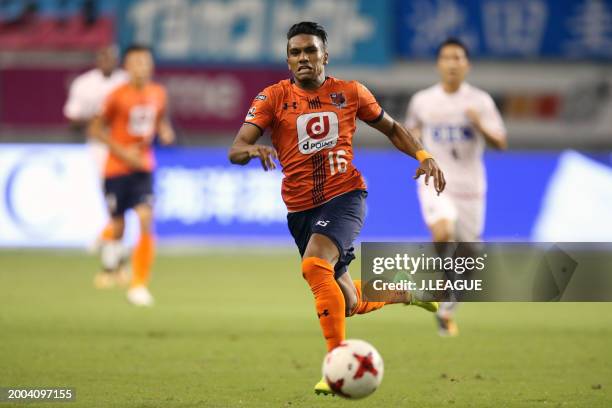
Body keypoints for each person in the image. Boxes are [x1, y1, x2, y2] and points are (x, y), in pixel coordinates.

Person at [229, 21, 446, 395]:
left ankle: (336, 365)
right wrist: (251, 150)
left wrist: (423, 154)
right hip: (300, 211)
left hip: (345, 196)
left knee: (314, 266)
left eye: (310, 51)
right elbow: (236, 149)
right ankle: (404, 291)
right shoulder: (272, 98)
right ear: (287, 60)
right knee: (345, 301)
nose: (303, 58)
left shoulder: (350, 93)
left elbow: (393, 128)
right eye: (295, 52)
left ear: (325, 55)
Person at [405, 38, 507, 336]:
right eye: (447, 58)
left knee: (469, 256)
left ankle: (446, 308)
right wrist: (418, 152)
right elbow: (411, 132)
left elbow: (501, 142)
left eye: (458, 58)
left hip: (471, 187)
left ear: (467, 64)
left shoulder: (480, 102)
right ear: (439, 64)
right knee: (442, 231)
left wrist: (479, 125)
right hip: (437, 181)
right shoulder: (423, 100)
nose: (452, 63)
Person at [89, 44, 175, 306]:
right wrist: (124, 153)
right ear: (126, 67)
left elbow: (160, 119)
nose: (142, 67)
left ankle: (139, 284)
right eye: (136, 62)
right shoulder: (116, 96)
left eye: (146, 62)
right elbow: (96, 129)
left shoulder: (159, 93)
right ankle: (112, 261)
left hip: (143, 167)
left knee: (146, 217)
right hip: (116, 169)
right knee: (118, 227)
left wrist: (164, 131)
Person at [63, 44, 129, 289]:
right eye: (102, 56)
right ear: (96, 59)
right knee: (114, 205)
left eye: (111, 57)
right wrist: (94, 121)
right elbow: (71, 119)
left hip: (127, 148)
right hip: (100, 148)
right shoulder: (84, 84)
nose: (107, 61)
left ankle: (114, 262)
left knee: (122, 206)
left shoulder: (126, 82)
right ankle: (115, 263)